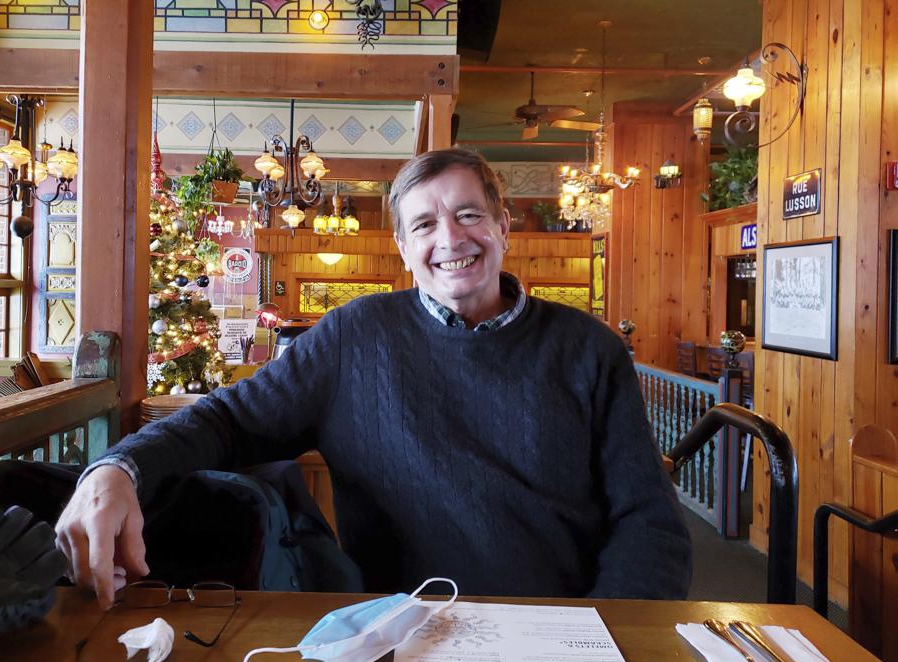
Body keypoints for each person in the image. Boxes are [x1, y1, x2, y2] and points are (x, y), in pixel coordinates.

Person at [56, 148, 691, 610]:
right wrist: (117, 470)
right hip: (403, 629)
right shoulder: (353, 337)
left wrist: (607, 631)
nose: (450, 238)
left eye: (469, 215)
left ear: (502, 228)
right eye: (424, 224)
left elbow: (649, 521)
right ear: (402, 246)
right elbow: (230, 418)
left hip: (560, 629)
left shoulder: (590, 349)